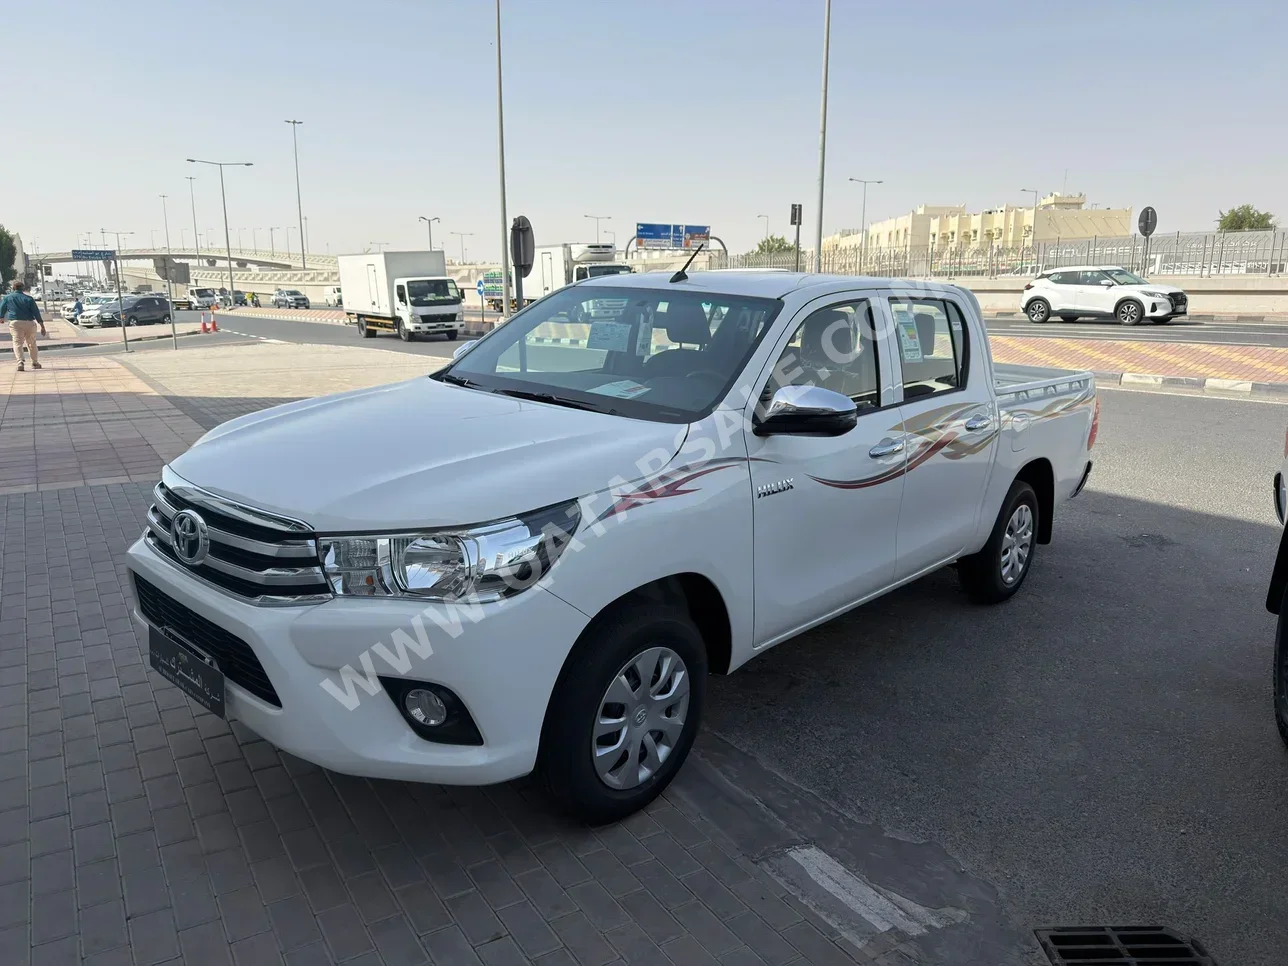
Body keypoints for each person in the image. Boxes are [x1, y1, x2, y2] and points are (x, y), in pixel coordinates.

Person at [1, 280, 47, 372]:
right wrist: (42, 326)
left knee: (17, 343)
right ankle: (35, 363)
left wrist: (1, 317)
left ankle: (20, 362)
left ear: (13, 288)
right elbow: (36, 312)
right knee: (31, 343)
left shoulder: (7, 298)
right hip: (29, 323)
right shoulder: (29, 299)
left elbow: (2, 309)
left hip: (15, 323)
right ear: (23, 288)